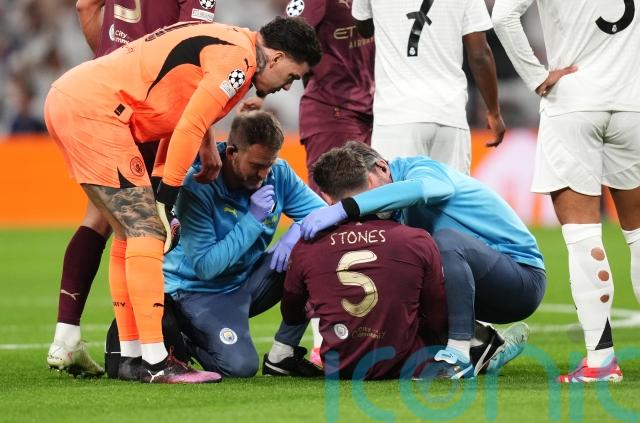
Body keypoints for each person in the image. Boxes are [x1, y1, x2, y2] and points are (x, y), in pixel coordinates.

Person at [44, 16, 322, 383]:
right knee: (147, 229)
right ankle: (157, 362)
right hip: (97, 111)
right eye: (292, 77)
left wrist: (163, 183)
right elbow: (191, 125)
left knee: (129, 232)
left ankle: (131, 355)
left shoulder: (231, 44)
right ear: (277, 57)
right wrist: (167, 197)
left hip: (82, 101)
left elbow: (176, 120)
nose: (288, 86)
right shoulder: (239, 61)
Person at [46, 0, 221, 378]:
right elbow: (196, 47)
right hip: (148, 98)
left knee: (102, 219)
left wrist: (110, 61)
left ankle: (70, 336)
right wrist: (206, 139)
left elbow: (84, 7)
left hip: (104, 88)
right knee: (144, 226)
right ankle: (150, 353)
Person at [300, 142, 546, 379]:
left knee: (446, 241)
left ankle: (459, 356)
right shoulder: (385, 204)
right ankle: (482, 343)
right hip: (472, 284)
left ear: (382, 167)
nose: (370, 205)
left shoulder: (421, 170)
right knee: (392, 267)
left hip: (520, 279)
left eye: (371, 192)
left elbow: (427, 189)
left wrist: (348, 207)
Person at [492, 0, 640, 383]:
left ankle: (601, 362)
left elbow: (502, 15)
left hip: (574, 102)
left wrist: (534, 76)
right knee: (638, 234)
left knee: (582, 235)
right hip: (633, 102)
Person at [164, 111, 326, 377]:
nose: (264, 174)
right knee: (240, 368)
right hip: (197, 291)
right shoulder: (198, 186)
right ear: (231, 153)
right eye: (257, 165)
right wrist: (253, 219)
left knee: (314, 249)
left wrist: (294, 235)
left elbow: (324, 216)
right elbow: (206, 267)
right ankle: (185, 336)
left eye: (269, 164)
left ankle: (283, 354)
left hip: (248, 280)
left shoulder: (278, 174)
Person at [281, 147, 448, 380]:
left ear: (326, 197)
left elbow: (291, 309)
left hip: (341, 367)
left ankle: (279, 354)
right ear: (370, 183)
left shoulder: (308, 246)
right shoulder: (417, 239)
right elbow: (437, 311)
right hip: (407, 365)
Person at [351, 0, 506, 173]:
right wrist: (494, 112)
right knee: (450, 191)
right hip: (450, 115)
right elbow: (479, 55)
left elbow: (364, 28)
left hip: (397, 116)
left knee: (398, 190)